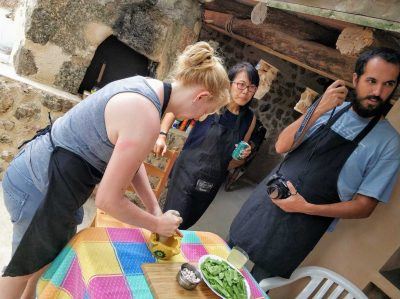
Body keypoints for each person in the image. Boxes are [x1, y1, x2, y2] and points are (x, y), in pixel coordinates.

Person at [0, 41, 231, 299]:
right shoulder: (145, 115)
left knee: (45, 264)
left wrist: (154, 208)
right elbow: (108, 200)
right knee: (21, 268)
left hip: (50, 180)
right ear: (201, 97)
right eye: (206, 112)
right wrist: (157, 224)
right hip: (37, 185)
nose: (199, 118)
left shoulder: (148, 88)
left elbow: (131, 163)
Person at [229, 47, 400, 281]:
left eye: (388, 84)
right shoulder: (331, 110)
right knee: (222, 264)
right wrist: (318, 108)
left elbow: (364, 206)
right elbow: (282, 145)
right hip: (265, 202)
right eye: (371, 81)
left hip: (303, 226)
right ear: (355, 79)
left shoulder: (389, 143)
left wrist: (305, 207)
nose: (378, 92)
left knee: (256, 286)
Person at [153, 62, 260, 229]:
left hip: (212, 179)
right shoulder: (214, 101)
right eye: (241, 85)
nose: (245, 91)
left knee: (187, 223)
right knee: (173, 220)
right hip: (187, 172)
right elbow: (175, 109)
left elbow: (236, 157)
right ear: (229, 83)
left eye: (252, 87)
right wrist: (162, 134)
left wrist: (241, 155)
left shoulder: (250, 119)